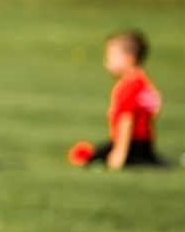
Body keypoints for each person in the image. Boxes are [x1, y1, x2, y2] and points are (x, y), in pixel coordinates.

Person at [69, 32, 166, 169]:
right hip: (145, 145)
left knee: (91, 160)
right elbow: (154, 110)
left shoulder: (127, 86)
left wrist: (119, 154)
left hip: (128, 144)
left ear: (129, 58)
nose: (107, 60)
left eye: (112, 55)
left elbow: (126, 121)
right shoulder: (145, 83)